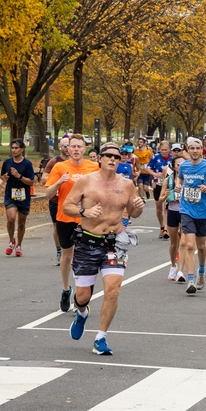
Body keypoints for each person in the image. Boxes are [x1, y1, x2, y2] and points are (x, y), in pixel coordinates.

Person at [62, 142, 145, 355]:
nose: (112, 159)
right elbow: (67, 206)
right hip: (87, 241)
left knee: (113, 289)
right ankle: (82, 313)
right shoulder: (86, 181)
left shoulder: (126, 185)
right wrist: (84, 212)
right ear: (100, 158)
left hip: (114, 243)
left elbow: (132, 213)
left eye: (117, 157)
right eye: (108, 155)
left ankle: (101, 337)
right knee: (82, 295)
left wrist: (137, 209)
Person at [44, 137, 101, 313]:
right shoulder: (60, 167)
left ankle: (80, 297)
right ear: (67, 149)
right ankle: (66, 289)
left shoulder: (93, 167)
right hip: (65, 217)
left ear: (84, 149)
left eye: (79, 146)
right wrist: (60, 182)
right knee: (67, 256)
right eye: (72, 146)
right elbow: (47, 193)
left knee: (83, 257)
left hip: (87, 219)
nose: (76, 149)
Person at [174, 137, 206, 293]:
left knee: (201, 246)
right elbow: (180, 178)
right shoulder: (183, 166)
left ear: (201, 150)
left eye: (197, 148)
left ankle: (201, 272)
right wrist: (178, 185)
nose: (195, 151)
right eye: (192, 148)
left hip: (203, 211)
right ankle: (190, 280)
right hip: (186, 209)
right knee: (189, 245)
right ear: (187, 150)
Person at [1, 138, 35, 257]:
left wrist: (19, 176)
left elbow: (31, 182)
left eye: (16, 148)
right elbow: (3, 177)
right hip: (10, 195)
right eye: (12, 148)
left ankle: (19, 245)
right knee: (11, 218)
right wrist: (4, 178)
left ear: (22, 149)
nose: (14, 150)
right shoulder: (7, 162)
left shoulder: (27, 164)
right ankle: (11, 241)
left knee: (21, 222)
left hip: (24, 196)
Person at [42, 135, 70, 266]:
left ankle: (71, 252)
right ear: (60, 147)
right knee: (56, 226)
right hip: (56, 199)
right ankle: (59, 251)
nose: (67, 148)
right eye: (65, 145)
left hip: (70, 200)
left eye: (69, 145)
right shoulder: (54, 162)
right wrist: (55, 182)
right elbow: (44, 178)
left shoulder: (75, 162)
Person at [164, 147, 186, 280]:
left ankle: (181, 271)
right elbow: (161, 198)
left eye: (183, 164)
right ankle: (173, 266)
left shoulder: (189, 179)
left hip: (186, 211)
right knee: (174, 243)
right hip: (172, 211)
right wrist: (167, 195)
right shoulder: (168, 180)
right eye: (178, 164)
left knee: (183, 242)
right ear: (173, 167)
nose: (180, 166)